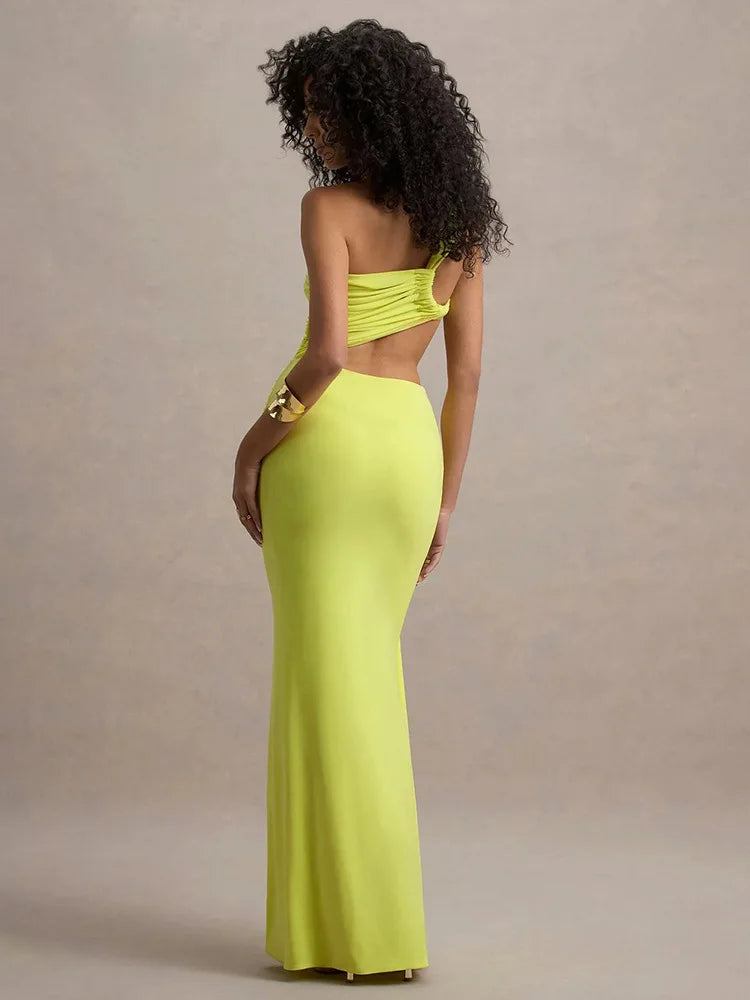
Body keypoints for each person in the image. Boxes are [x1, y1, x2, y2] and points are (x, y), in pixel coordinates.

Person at [232, 18, 511, 981]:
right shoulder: (460, 230)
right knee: (363, 682)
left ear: (369, 114)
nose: (316, 130)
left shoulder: (327, 207)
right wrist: (444, 504)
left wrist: (252, 447)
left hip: (328, 443)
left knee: (326, 686)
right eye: (308, 114)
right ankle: (361, 928)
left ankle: (349, 931)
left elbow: (323, 358)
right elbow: (466, 379)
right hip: (406, 451)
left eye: (327, 112)